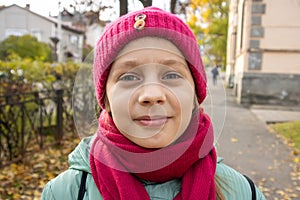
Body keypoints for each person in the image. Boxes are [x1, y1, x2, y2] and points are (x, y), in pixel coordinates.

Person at [41, 7, 266, 200]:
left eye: (171, 75)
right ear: (106, 100)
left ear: (196, 94)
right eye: (128, 77)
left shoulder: (243, 192)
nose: (151, 94)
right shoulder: (65, 193)